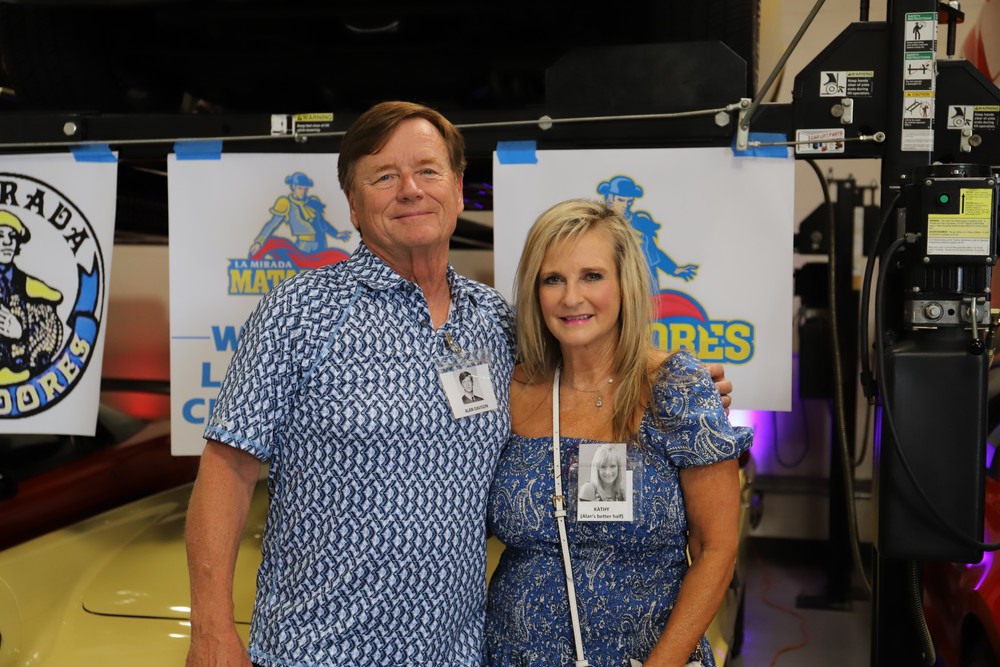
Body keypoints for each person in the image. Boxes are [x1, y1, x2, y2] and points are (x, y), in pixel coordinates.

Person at [185, 101, 735, 667]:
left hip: (460, 652)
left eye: (427, 170)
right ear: (352, 203)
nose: (410, 190)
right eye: (384, 176)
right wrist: (211, 630)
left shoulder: (494, 321)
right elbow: (227, 469)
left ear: (457, 187)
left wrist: (677, 385)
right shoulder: (299, 313)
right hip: (319, 649)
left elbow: (585, 358)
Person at [484, 199, 752, 667]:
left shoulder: (675, 387)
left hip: (647, 655)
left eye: (592, 276)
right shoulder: (512, 389)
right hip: (513, 652)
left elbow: (717, 551)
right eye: (553, 279)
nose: (571, 297)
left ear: (625, 285)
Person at [0, 209, 63, 385]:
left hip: (22, 377)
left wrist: (21, 333)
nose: (7, 242)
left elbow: (50, 332)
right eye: (0, 235)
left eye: (12, 236)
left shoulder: (35, 290)